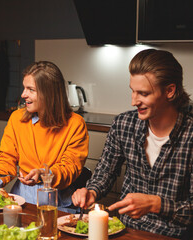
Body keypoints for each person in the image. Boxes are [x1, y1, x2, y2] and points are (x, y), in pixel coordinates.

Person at [72, 49, 192, 238]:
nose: (133, 101)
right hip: (125, 230)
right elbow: (105, 172)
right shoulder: (124, 124)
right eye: (132, 91)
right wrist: (91, 191)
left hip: (174, 235)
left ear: (170, 91)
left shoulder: (190, 134)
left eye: (143, 93)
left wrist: (156, 204)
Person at [0, 61, 89, 212]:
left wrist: (44, 174)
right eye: (24, 88)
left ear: (49, 94)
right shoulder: (16, 118)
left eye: (31, 90)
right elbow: (6, 157)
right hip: (22, 198)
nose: (23, 95)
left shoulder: (75, 124)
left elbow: (70, 168)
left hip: (57, 200)